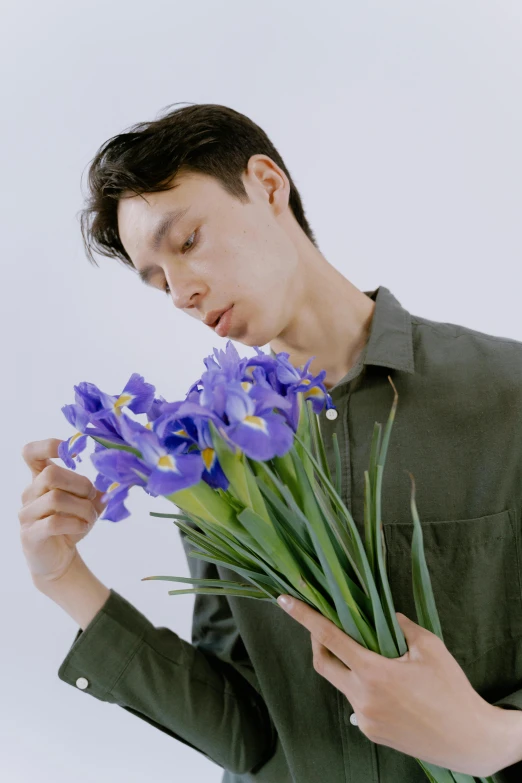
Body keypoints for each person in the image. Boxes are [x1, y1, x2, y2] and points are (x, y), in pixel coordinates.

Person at [19, 103, 522, 782]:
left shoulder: (506, 392)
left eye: (188, 240)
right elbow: (247, 729)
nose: (181, 293)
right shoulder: (210, 456)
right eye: (158, 280)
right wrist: (64, 579)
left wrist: (496, 736)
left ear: (267, 183)